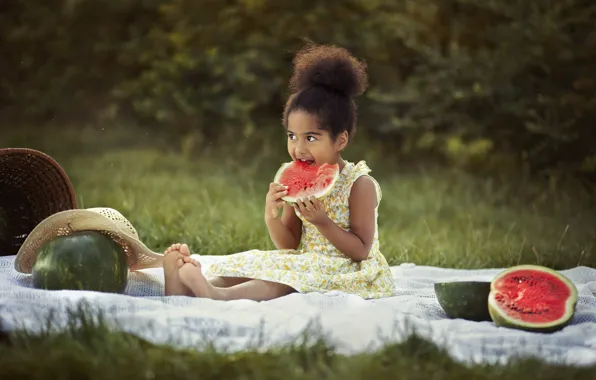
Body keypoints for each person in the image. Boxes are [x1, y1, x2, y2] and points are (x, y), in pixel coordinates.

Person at [162, 43, 396, 301]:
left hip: (348, 269)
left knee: (283, 278)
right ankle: (184, 288)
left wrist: (323, 223)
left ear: (340, 140)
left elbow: (361, 251)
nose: (298, 148)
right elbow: (289, 244)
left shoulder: (359, 184)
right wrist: (271, 216)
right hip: (306, 261)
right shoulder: (296, 177)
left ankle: (216, 295)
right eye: (292, 136)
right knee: (260, 263)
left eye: (311, 138)